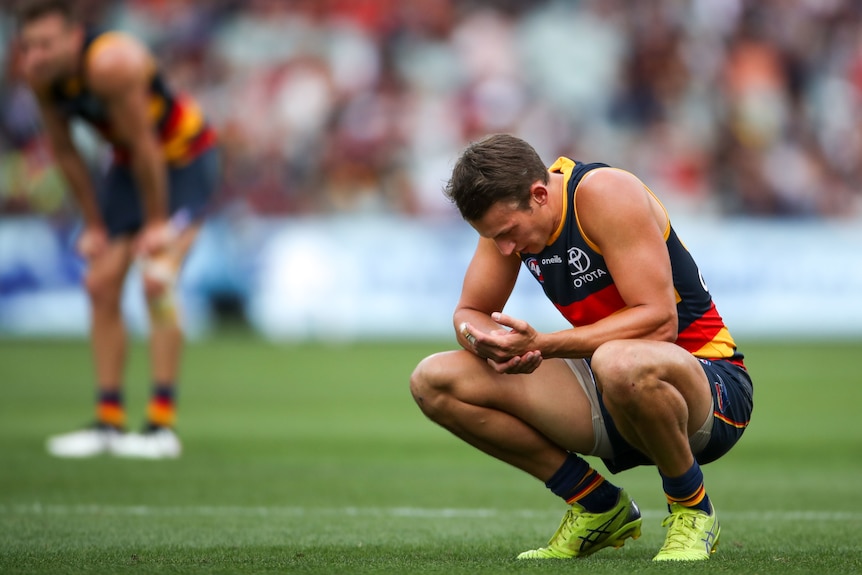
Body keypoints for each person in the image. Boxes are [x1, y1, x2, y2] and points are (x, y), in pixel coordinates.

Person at [410, 134, 753, 562]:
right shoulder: (507, 217)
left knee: (619, 360)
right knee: (434, 380)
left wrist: (544, 345)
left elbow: (659, 321)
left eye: (508, 234)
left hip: (710, 385)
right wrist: (486, 341)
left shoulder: (605, 193)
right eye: (493, 238)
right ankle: (597, 506)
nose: (505, 249)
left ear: (539, 194)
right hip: (614, 383)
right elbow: (469, 311)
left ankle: (692, 508)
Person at [16, 0, 219, 459]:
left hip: (184, 158)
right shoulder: (40, 75)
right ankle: (108, 421)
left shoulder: (112, 62)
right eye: (28, 46)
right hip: (130, 168)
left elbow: (147, 144)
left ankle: (160, 427)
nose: (36, 56)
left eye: (46, 44)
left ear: (74, 36)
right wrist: (92, 224)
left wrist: (154, 223)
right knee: (99, 283)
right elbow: (66, 152)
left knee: (156, 278)